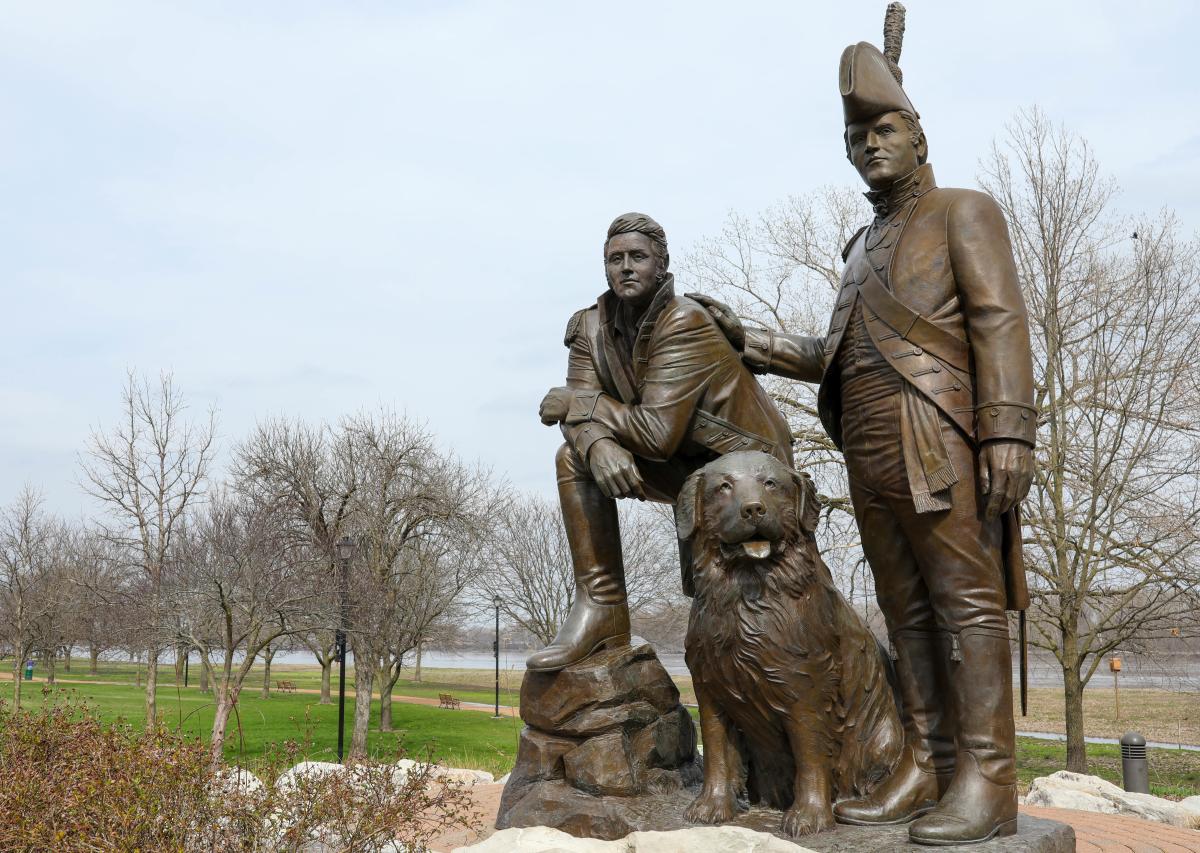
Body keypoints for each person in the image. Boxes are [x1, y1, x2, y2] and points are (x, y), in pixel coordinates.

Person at [696, 38, 1036, 846]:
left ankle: (987, 780)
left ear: (919, 135)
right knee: (906, 610)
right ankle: (926, 761)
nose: (869, 146)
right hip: (871, 446)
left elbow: (998, 319)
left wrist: (1009, 431)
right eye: (856, 137)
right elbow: (838, 352)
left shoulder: (964, 210)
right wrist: (756, 343)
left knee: (968, 605)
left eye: (883, 129)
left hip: (938, 436)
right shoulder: (858, 250)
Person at [531, 212, 793, 673]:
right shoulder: (588, 328)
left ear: (662, 264)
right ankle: (602, 608)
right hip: (688, 467)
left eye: (638, 257)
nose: (626, 267)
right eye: (615, 259)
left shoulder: (684, 321)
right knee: (572, 457)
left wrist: (582, 404)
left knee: (752, 617)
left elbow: (654, 432)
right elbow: (578, 417)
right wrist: (597, 445)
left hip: (745, 469)